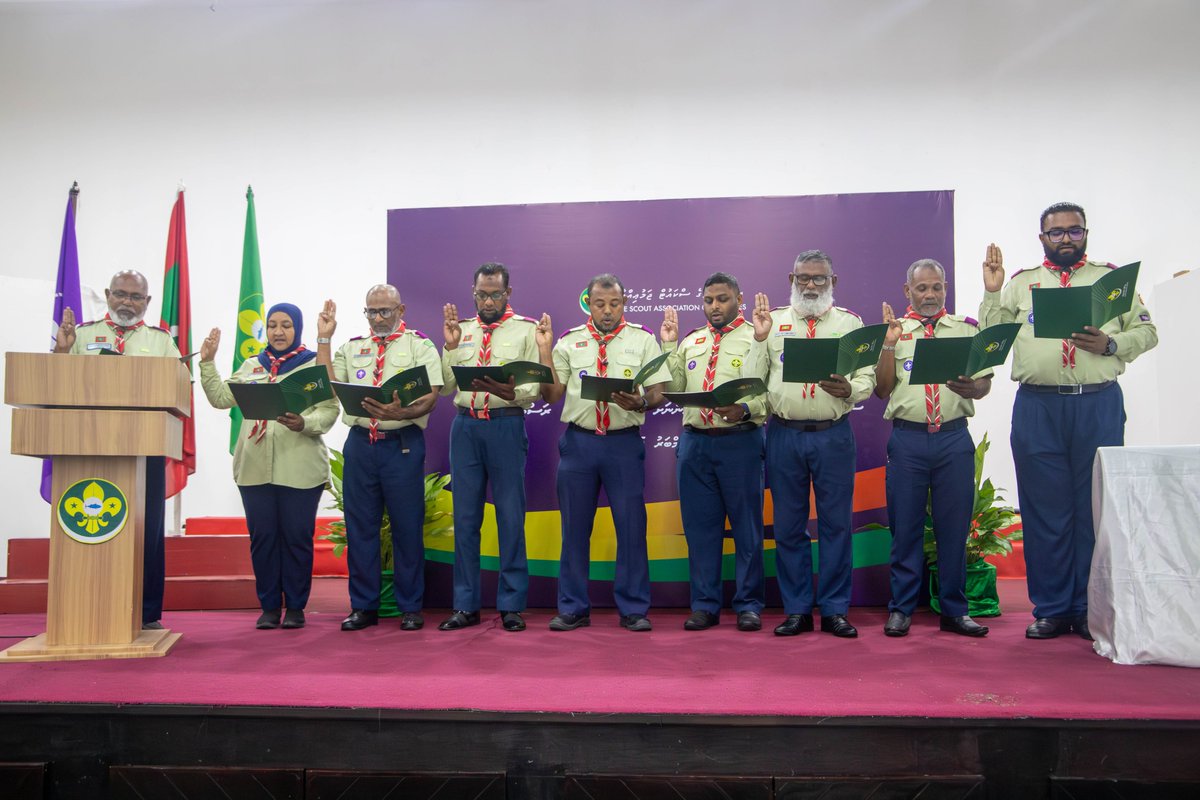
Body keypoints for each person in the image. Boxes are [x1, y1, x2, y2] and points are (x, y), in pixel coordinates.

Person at [979, 202, 1157, 640]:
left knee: (1092, 509)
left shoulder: (1110, 281)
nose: (1065, 239)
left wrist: (1111, 343)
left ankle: (1088, 608)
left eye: (1073, 232)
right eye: (1055, 233)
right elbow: (991, 342)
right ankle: (1053, 609)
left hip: (1097, 404)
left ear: (1085, 234)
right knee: (1044, 510)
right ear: (1042, 238)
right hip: (1038, 407)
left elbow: (1148, 331)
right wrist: (992, 293)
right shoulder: (1022, 285)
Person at [745, 250, 876, 638]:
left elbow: (867, 376)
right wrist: (758, 338)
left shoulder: (850, 324)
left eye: (820, 279)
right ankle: (798, 609)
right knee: (788, 527)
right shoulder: (774, 322)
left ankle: (835, 609)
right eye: (804, 278)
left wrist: (851, 389)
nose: (811, 286)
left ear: (833, 282)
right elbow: (753, 379)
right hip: (784, 434)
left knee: (836, 525)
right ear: (792, 278)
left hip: (833, 435)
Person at [538, 273, 669, 632]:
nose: (607, 311)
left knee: (630, 528)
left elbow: (659, 392)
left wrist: (641, 400)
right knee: (575, 530)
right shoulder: (569, 341)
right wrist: (545, 351)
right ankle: (573, 607)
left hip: (623, 443)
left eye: (614, 304)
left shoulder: (643, 340)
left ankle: (633, 608)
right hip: (579, 444)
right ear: (588, 304)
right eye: (600, 304)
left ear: (624, 303)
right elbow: (551, 395)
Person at [53, 269, 180, 630]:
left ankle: (146, 612)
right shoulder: (81, 335)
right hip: (87, 448)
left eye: (135, 297)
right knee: (88, 524)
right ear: (108, 295)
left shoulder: (160, 343)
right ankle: (81, 604)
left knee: (148, 531)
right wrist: (62, 351)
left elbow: (176, 391)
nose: (127, 302)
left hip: (145, 448)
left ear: (148, 302)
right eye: (121, 294)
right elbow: (57, 386)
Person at [198, 304, 337, 630]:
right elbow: (220, 398)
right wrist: (207, 362)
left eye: (286, 325)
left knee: (296, 539)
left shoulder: (312, 368)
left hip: (300, 470)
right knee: (263, 539)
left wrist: (304, 422)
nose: (278, 332)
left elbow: (330, 411)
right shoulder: (251, 366)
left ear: (297, 329)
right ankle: (270, 607)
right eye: (272, 325)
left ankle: (297, 608)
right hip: (254, 468)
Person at [875, 259, 991, 638]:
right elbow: (882, 389)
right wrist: (889, 347)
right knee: (905, 529)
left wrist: (975, 389)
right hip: (908, 439)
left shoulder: (965, 329)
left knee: (954, 529)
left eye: (936, 287)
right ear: (908, 291)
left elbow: (983, 383)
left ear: (945, 288)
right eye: (921, 288)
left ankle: (955, 610)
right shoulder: (892, 332)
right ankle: (901, 610)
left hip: (954, 438)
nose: (930, 295)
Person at [317, 286, 441, 632]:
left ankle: (410, 607)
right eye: (372, 312)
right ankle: (363, 607)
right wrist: (324, 340)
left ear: (401, 309)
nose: (378, 319)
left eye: (385, 311)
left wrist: (403, 411)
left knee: (406, 527)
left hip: (402, 443)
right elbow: (327, 387)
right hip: (361, 444)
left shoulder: (420, 345)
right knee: (361, 529)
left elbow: (432, 396)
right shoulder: (353, 346)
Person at [660, 272, 768, 632]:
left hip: (740, 441)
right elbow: (673, 389)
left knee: (747, 529)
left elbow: (771, 393)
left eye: (722, 299)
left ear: (739, 297)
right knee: (700, 530)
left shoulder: (757, 337)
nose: (714, 306)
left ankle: (749, 605)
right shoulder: (692, 341)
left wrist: (747, 410)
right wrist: (669, 346)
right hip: (695, 444)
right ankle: (704, 605)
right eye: (708, 301)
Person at [438, 263, 542, 632]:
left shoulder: (527, 330)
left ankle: (511, 604)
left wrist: (509, 391)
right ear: (474, 292)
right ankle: (465, 605)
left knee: (510, 517)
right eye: (482, 294)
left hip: (505, 425)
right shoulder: (460, 331)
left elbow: (533, 390)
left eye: (495, 294)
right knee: (466, 519)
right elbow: (448, 386)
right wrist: (451, 348)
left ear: (508, 294)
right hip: (465, 427)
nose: (488, 300)